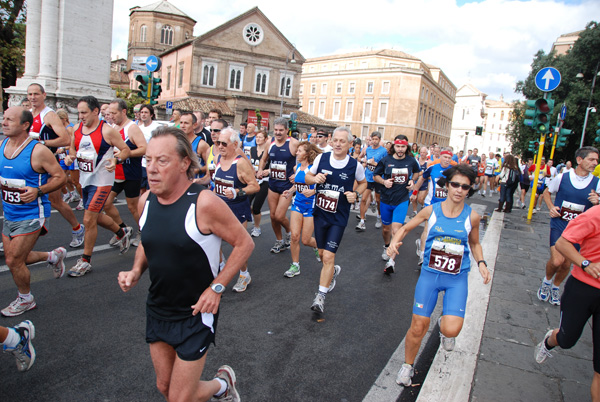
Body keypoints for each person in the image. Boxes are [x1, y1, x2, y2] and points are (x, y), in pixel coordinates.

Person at [118, 126, 253, 402]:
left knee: (180, 399)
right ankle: (222, 386)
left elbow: (244, 244)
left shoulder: (204, 203)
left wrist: (216, 287)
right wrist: (135, 270)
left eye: (162, 160)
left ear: (184, 164)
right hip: (158, 307)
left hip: (195, 312)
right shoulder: (146, 201)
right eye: (148, 160)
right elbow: (148, 240)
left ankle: (219, 387)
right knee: (165, 387)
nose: (152, 169)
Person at [390, 164, 491, 387]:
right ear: (447, 185)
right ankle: (407, 366)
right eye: (455, 184)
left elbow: (474, 243)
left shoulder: (472, 217)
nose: (458, 190)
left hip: (456, 278)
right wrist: (394, 243)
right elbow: (406, 228)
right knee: (418, 325)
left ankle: (447, 333)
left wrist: (481, 263)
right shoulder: (432, 211)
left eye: (464, 187)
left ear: (469, 190)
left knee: (451, 328)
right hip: (430, 275)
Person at [0, 107, 68, 316]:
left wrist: (38, 190)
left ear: (25, 125)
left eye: (10, 120)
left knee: (13, 260)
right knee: (18, 258)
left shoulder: (38, 150)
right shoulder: (2, 144)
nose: (4, 122)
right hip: (9, 213)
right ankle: (53, 256)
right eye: (3, 118)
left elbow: (60, 177)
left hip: (31, 214)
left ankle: (26, 299)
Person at [534, 204, 600, 402]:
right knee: (567, 340)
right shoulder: (595, 214)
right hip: (582, 289)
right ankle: (550, 340)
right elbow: (563, 243)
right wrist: (585, 263)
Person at [64, 96, 132, 277]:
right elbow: (72, 149)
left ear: (95, 111)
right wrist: (69, 157)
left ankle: (85, 260)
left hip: (102, 182)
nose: (81, 116)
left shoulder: (107, 131)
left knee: (87, 220)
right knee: (96, 217)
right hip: (86, 180)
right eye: (79, 113)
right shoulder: (76, 129)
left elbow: (126, 150)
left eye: (84, 112)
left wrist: (116, 159)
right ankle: (121, 232)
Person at [305, 127, 366, 313]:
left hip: (338, 217)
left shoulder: (355, 165)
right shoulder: (321, 158)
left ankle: (320, 297)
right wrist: (314, 178)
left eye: (343, 141)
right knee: (323, 255)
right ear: (331, 142)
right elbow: (307, 177)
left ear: (349, 144)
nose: (338, 144)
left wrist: (355, 194)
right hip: (320, 214)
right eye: (336, 140)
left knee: (329, 256)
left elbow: (364, 183)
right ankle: (332, 273)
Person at [537, 146, 600, 306]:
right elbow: (546, 192)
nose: (595, 163)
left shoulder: (597, 183)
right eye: (591, 159)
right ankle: (546, 282)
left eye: (596, 160)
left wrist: (597, 202)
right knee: (557, 260)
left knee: (567, 262)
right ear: (580, 160)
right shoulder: (562, 177)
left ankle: (556, 287)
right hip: (560, 224)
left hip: (579, 232)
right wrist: (551, 207)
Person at [27, 83, 85, 248]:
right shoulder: (28, 114)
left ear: (44, 95)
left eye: (36, 94)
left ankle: (77, 228)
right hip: (30, 165)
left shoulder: (49, 115)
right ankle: (15, 235)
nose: (32, 97)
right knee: (23, 198)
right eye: (30, 94)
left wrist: (42, 142)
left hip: (48, 164)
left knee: (55, 201)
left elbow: (65, 140)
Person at [213, 127, 259, 292]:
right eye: (218, 142)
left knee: (239, 245)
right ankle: (223, 267)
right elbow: (214, 183)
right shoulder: (218, 158)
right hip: (218, 208)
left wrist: (237, 192)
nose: (220, 146)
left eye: (224, 143)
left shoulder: (240, 163)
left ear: (234, 145)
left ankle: (244, 274)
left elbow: (255, 186)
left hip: (236, 210)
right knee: (212, 241)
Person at [103, 99, 148, 248]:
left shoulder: (132, 128)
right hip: (115, 173)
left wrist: (126, 154)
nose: (112, 116)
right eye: (110, 113)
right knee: (106, 203)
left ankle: (144, 231)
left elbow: (144, 149)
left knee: (132, 207)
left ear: (123, 111)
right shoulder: (113, 127)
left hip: (130, 173)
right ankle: (122, 229)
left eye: (114, 113)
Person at [373, 135, 421, 274]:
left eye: (403, 147)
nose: (400, 149)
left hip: (402, 199)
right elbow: (376, 175)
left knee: (396, 230)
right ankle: (387, 245)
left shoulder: (411, 160)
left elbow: (417, 172)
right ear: (394, 146)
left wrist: (412, 180)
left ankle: (391, 261)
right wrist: (384, 182)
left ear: (407, 148)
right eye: (398, 146)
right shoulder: (386, 160)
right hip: (386, 199)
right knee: (386, 230)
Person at [258, 117, 299, 253]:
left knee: (279, 216)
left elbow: (302, 163)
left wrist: (297, 174)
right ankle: (279, 241)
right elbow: (264, 159)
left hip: (287, 185)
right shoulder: (270, 142)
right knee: (272, 216)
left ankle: (288, 231)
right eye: (276, 130)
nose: (278, 133)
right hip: (273, 184)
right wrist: (259, 170)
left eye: (281, 130)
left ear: (287, 130)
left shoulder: (293, 144)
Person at [282, 142, 322, 277]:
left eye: (299, 151)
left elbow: (322, 186)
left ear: (307, 153)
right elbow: (298, 185)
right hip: (297, 204)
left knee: (306, 240)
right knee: (294, 237)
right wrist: (290, 191)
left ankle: (317, 246)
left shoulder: (314, 169)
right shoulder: (297, 167)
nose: (296, 153)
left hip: (310, 206)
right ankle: (295, 265)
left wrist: (314, 191)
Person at [412, 148, 454, 265]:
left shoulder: (453, 171)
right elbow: (422, 179)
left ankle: (425, 245)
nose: (447, 160)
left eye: (449, 158)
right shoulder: (433, 168)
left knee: (442, 229)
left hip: (446, 205)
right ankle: (423, 254)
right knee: (428, 228)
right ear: (440, 157)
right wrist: (415, 193)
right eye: (445, 157)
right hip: (431, 203)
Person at [356, 131, 388, 231]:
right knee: (364, 199)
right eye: (373, 139)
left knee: (378, 200)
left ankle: (378, 217)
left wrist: (375, 164)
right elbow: (359, 157)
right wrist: (363, 162)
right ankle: (361, 221)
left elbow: (386, 166)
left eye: (376, 139)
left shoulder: (383, 151)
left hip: (378, 178)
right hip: (368, 177)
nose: (374, 141)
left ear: (379, 140)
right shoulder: (367, 149)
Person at [56, 109, 83, 210]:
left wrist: (63, 148)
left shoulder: (70, 128)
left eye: (58, 120)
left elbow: (73, 144)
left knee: (75, 180)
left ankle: (83, 198)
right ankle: (72, 193)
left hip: (71, 156)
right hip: (64, 156)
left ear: (64, 119)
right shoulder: (62, 128)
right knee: (62, 176)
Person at [248, 130, 270, 238]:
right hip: (253, 181)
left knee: (256, 207)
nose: (258, 139)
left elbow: (273, 166)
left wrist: (268, 171)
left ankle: (257, 227)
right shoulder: (252, 149)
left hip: (264, 181)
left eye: (260, 137)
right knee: (246, 203)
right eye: (257, 137)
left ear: (266, 139)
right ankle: (253, 217)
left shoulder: (268, 152)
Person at [138, 105, 160, 195]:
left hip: (153, 163)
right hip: (141, 163)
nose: (143, 115)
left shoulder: (156, 128)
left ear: (151, 115)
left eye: (146, 112)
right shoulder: (138, 128)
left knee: (151, 189)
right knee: (141, 190)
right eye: (142, 112)